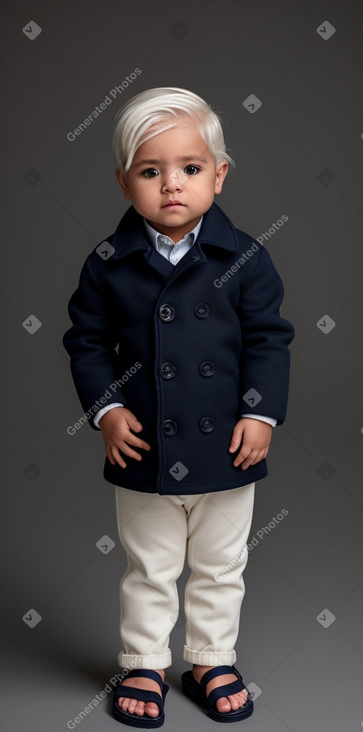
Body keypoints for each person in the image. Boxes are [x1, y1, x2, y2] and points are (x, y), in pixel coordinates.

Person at [63, 86, 295, 727]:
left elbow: (270, 339)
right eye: (150, 170)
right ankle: (142, 661)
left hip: (226, 447)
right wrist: (108, 410)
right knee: (149, 566)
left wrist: (260, 413)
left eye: (190, 168)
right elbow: (86, 343)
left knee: (222, 565)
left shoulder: (245, 258)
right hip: (145, 452)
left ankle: (210, 658)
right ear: (124, 181)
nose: (171, 185)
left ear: (218, 176)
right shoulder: (108, 263)